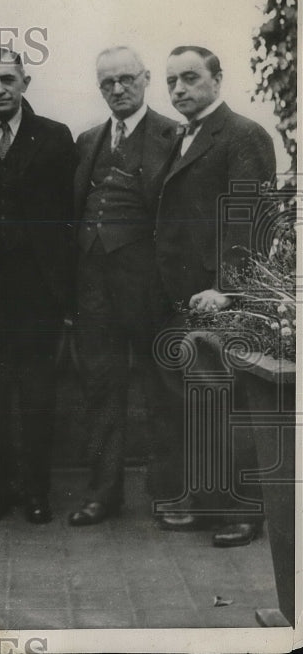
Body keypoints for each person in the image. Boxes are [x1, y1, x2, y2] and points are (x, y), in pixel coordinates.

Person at [155, 45, 277, 547]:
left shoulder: (243, 134)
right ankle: (209, 503)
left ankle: (243, 512)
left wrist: (227, 289)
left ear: (217, 79)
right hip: (183, 296)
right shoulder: (181, 137)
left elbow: (249, 217)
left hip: (220, 299)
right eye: (172, 82)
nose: (179, 89)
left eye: (190, 78)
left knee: (228, 401)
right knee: (198, 401)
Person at [0, 47, 76, 525]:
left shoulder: (54, 135)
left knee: (37, 396)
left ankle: (36, 492)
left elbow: (66, 216)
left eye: (8, 79)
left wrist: (64, 293)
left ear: (26, 82)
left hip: (37, 292)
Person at [68, 46, 180, 526]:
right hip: (94, 288)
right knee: (100, 391)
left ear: (146, 78)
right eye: (107, 82)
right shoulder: (88, 139)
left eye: (126, 79)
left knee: (162, 390)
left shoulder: (172, 135)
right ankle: (102, 493)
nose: (117, 89)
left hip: (149, 286)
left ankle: (169, 493)